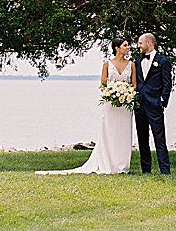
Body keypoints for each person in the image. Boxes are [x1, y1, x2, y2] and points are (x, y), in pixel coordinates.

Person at [36, 36, 135, 175]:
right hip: (110, 106)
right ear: (117, 48)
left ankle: (122, 166)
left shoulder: (132, 64)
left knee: (123, 134)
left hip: (125, 106)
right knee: (109, 133)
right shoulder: (107, 64)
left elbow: (134, 85)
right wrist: (113, 95)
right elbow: (103, 85)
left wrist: (125, 95)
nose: (128, 47)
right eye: (125, 45)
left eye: (128, 45)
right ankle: (108, 163)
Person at [134, 32, 172, 174]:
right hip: (140, 106)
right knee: (142, 139)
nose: (138, 46)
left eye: (140, 43)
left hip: (155, 105)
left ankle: (165, 170)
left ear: (148, 43)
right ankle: (145, 169)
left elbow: (167, 83)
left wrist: (162, 101)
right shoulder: (137, 62)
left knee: (159, 138)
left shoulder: (163, 61)